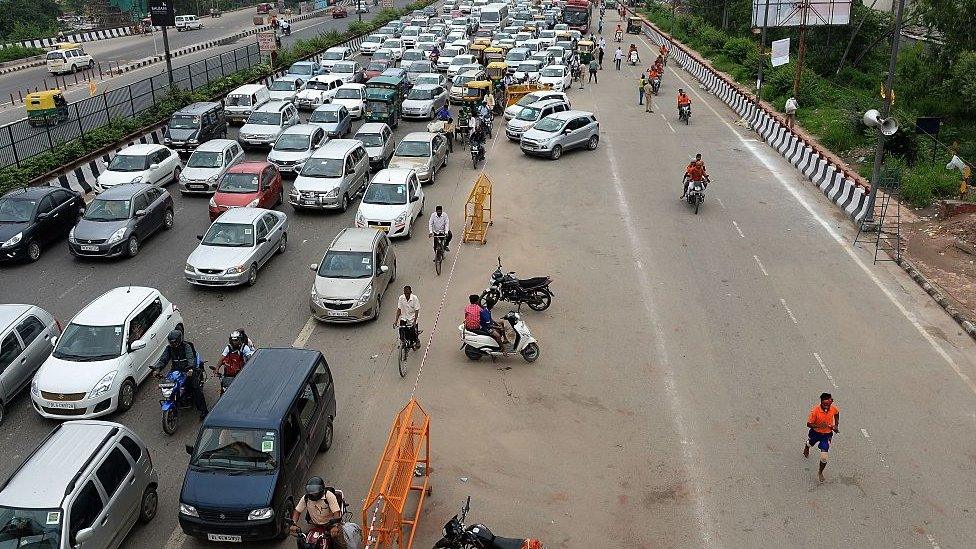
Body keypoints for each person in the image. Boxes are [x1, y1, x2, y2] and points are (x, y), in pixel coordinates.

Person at [153, 330, 208, 419]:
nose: (173, 345)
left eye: (174, 343)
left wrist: (190, 369)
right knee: (167, 385)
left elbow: (190, 358)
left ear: (179, 340)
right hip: (175, 371)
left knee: (195, 388)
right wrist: (157, 369)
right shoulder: (169, 349)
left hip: (187, 371)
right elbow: (163, 360)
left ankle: (204, 411)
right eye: (171, 343)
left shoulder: (187, 346)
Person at [804, 393, 839, 482]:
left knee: (824, 457)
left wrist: (836, 426)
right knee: (810, 443)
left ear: (831, 402)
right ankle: (807, 446)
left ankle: (820, 472)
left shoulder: (833, 409)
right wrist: (819, 426)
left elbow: (837, 413)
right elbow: (809, 424)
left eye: (829, 404)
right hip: (815, 433)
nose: (827, 406)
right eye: (825, 404)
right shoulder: (815, 411)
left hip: (826, 435)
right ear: (821, 402)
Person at [395, 285, 421, 350]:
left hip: (412, 318)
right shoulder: (401, 298)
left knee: (413, 332)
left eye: (408, 293)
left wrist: (414, 321)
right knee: (401, 330)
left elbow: (417, 310)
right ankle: (403, 343)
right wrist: (396, 321)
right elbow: (399, 309)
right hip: (404, 317)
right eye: (405, 293)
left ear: (411, 292)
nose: (406, 295)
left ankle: (416, 340)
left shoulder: (414, 298)